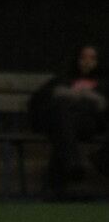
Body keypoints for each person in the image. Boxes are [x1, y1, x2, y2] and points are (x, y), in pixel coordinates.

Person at [29, 43, 109, 198]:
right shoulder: (64, 78)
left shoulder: (104, 81)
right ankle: (70, 165)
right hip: (64, 121)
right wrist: (65, 93)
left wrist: (92, 98)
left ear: (98, 61)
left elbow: (103, 106)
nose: (87, 62)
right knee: (62, 118)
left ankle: (61, 176)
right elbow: (41, 97)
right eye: (83, 58)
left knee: (61, 126)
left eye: (92, 58)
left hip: (89, 122)